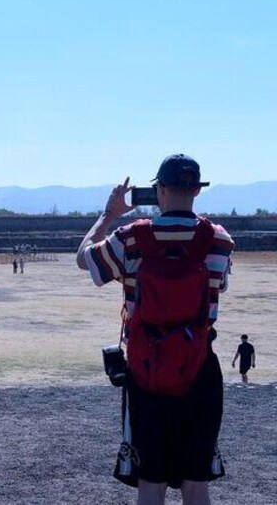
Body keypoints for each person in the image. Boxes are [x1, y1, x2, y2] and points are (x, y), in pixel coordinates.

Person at [76, 154, 234, 505]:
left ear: (158, 189)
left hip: (146, 369)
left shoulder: (130, 237)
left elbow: (84, 258)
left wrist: (109, 214)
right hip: (199, 367)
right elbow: (219, 287)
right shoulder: (219, 239)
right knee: (196, 484)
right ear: (196, 190)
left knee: (151, 483)